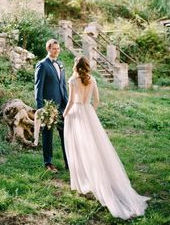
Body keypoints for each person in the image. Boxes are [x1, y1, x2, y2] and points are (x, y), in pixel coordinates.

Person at [63, 57, 150, 220]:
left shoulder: (72, 80)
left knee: (79, 148)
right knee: (96, 147)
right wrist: (91, 112)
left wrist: (64, 114)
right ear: (87, 66)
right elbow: (97, 100)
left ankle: (84, 183)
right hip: (89, 113)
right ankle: (93, 179)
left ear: (75, 66)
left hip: (76, 114)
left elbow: (69, 101)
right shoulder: (93, 80)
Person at [35, 39, 68, 172]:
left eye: (58, 48)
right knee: (48, 135)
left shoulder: (60, 64)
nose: (57, 51)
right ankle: (48, 163)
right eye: (54, 48)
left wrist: (67, 103)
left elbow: (63, 85)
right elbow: (38, 87)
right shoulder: (42, 65)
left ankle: (69, 162)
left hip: (62, 106)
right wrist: (40, 108)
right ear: (48, 49)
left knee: (65, 134)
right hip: (49, 107)